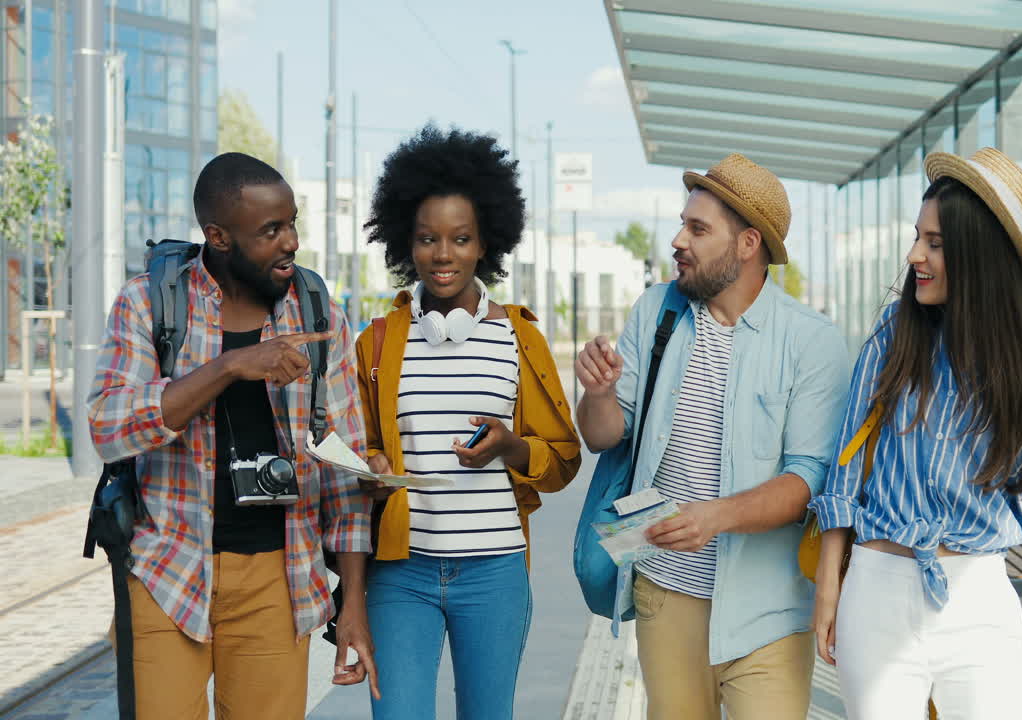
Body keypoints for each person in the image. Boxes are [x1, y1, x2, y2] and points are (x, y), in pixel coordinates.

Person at [809, 148, 1022, 719]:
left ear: (978, 255)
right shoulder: (893, 334)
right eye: (917, 237)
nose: (914, 256)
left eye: (935, 243)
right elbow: (845, 470)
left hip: (980, 601)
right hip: (878, 591)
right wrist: (830, 586)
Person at [88, 152, 377, 719]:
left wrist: (353, 606)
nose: (290, 241)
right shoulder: (149, 301)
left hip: (280, 577)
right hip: (167, 568)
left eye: (292, 222)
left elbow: (347, 476)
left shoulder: (320, 314)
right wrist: (227, 367)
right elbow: (107, 426)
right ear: (217, 237)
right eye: (271, 230)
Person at [575, 153, 851, 720]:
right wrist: (598, 392)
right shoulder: (657, 311)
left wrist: (713, 517)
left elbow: (809, 479)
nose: (679, 239)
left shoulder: (810, 341)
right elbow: (604, 436)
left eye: (698, 229)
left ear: (748, 244)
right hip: (662, 591)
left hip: (767, 611)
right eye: (683, 223)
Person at [356, 124, 582, 720]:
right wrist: (370, 467)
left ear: (486, 244)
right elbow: (361, 448)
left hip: (495, 573)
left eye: (461, 239)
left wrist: (510, 447)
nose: (442, 254)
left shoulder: (520, 337)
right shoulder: (377, 344)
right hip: (400, 574)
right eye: (428, 238)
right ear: (407, 242)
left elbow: (562, 461)